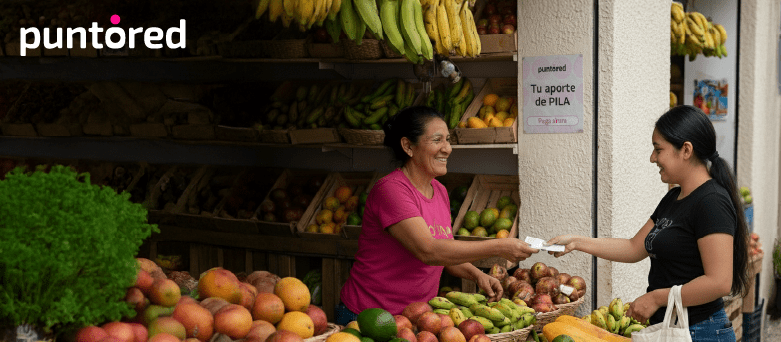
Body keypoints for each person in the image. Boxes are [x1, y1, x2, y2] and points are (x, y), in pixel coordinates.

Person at [546, 105, 750, 342]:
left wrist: (656, 298)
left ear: (686, 150)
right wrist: (577, 242)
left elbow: (719, 282)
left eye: (658, 149)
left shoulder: (711, 202)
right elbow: (634, 247)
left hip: (701, 332)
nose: (652, 158)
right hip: (671, 330)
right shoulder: (674, 198)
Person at [336, 106, 538, 324]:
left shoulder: (440, 191)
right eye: (437, 140)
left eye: (448, 140)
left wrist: (478, 275)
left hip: (416, 317)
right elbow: (428, 250)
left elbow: (445, 254)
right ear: (408, 146)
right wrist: (500, 246)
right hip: (370, 316)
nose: (447, 148)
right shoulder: (392, 190)